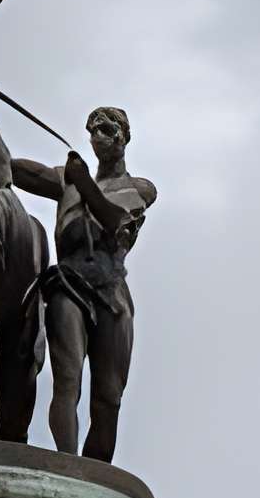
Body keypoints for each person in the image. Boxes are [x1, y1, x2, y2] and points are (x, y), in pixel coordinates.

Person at [11, 106, 155, 462]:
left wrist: (83, 181)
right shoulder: (67, 181)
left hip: (110, 291)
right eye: (92, 130)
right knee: (67, 378)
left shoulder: (139, 188)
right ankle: (67, 461)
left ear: (124, 135)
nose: (99, 137)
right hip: (68, 283)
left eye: (107, 129)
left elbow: (115, 223)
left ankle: (96, 470)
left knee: (108, 397)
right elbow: (15, 169)